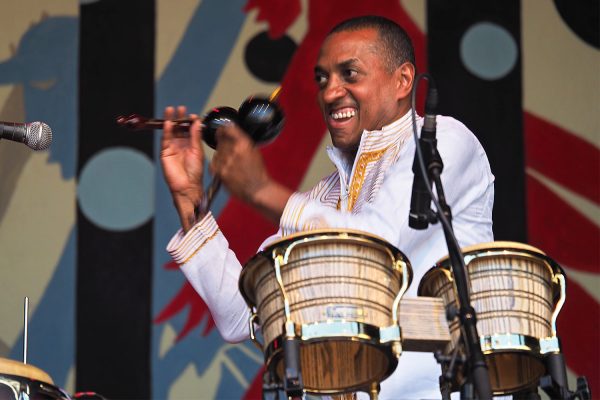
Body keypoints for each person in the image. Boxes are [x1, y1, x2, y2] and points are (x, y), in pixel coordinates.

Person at [161, 15, 494, 399]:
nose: (331, 92)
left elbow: (377, 244)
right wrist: (189, 201)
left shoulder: (444, 142)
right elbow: (245, 317)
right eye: (323, 79)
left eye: (349, 74)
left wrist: (262, 189)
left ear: (403, 81)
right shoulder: (322, 200)